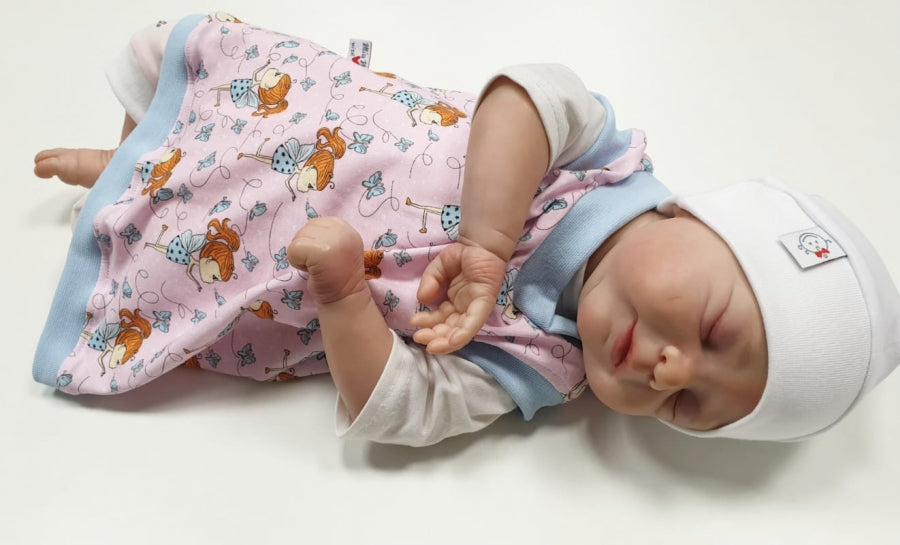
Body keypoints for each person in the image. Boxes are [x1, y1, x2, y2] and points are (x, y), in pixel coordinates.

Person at [33, 13, 900, 446]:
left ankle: (121, 194)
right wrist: (487, 242)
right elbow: (522, 94)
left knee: (178, 254)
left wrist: (343, 294)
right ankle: (132, 159)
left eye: (688, 403)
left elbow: (400, 408)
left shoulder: (542, 363)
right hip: (299, 116)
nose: (670, 369)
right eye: (713, 330)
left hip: (272, 260)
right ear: (694, 215)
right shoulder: (599, 156)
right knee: (188, 67)